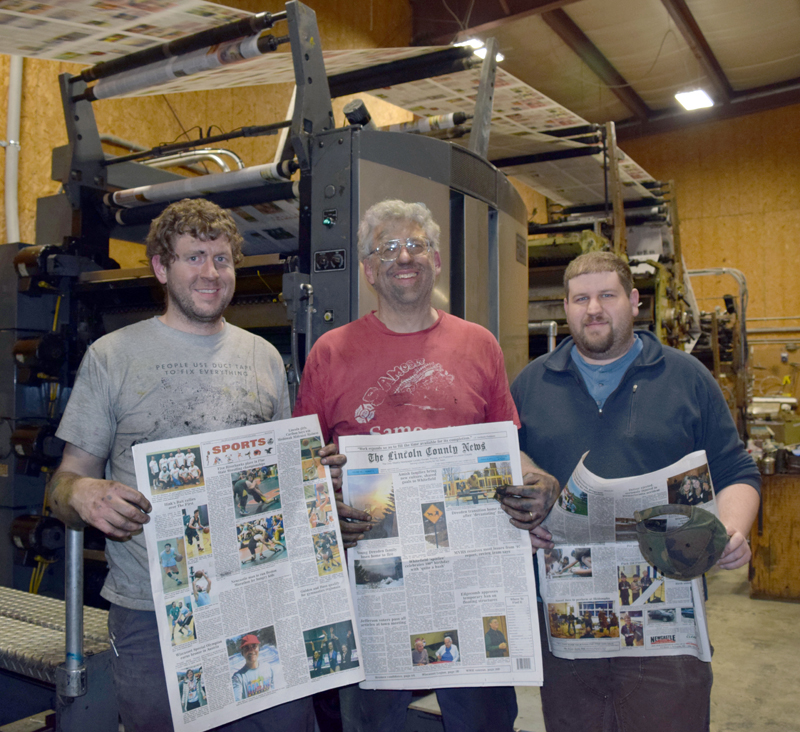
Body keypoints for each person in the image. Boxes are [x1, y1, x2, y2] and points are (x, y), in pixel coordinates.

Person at [48, 198, 344, 732]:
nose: (210, 273)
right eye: (194, 258)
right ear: (162, 268)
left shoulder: (264, 357)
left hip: (259, 597)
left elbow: (277, 478)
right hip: (154, 612)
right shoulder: (113, 357)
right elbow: (63, 483)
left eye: (222, 259)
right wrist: (83, 495)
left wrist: (314, 476)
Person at [294, 199, 558, 732]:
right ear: (368, 270)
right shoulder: (330, 352)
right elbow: (302, 465)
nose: (403, 256)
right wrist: (324, 484)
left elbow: (506, 447)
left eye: (416, 244)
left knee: (481, 723)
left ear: (436, 260)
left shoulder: (478, 345)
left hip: (471, 580)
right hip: (373, 584)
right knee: (373, 724)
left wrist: (538, 479)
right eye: (387, 248)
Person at [511, 251, 761, 732]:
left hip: (667, 612)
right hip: (567, 616)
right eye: (581, 299)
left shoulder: (687, 377)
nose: (594, 309)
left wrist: (731, 530)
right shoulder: (531, 384)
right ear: (565, 307)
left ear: (634, 301)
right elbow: (507, 479)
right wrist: (519, 530)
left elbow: (735, 470)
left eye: (607, 295)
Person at [232, 634, 272, 700]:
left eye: (254, 646)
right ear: (242, 653)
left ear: (258, 648)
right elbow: (237, 700)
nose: (251, 650)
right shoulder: (238, 678)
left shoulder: (268, 667)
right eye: (246, 648)